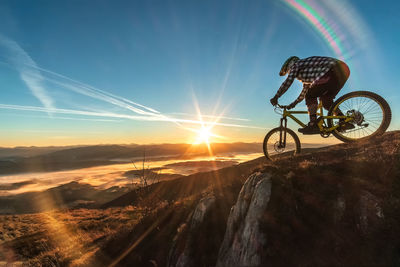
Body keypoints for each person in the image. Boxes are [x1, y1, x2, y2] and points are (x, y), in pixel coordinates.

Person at [270, 56, 353, 134]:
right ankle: (343, 120)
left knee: (310, 95)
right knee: (326, 101)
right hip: (343, 70)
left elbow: (288, 82)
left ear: (289, 65)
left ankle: (313, 124)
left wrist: (276, 97)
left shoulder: (296, 65)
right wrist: (293, 104)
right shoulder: (307, 72)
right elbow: (304, 92)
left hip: (333, 70)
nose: (289, 73)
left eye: (288, 71)